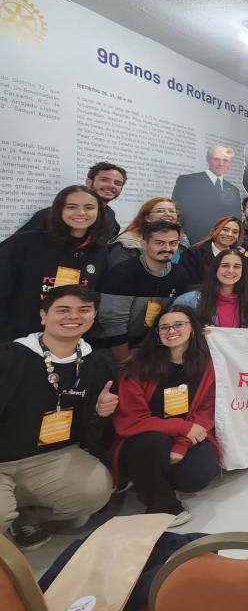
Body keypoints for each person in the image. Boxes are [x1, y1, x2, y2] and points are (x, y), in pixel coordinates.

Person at [0, 286, 118, 551]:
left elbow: (92, 427)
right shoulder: (9, 356)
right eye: (63, 310)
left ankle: (24, 518)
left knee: (96, 490)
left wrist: (101, 412)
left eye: (84, 310)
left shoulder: (96, 363)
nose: (73, 316)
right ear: (44, 316)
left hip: (52, 457)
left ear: (94, 316)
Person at [111, 305, 218, 527]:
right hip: (147, 436)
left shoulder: (207, 364)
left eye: (179, 324)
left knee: (194, 478)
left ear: (193, 329)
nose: (171, 331)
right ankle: (161, 502)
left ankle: (154, 476)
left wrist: (181, 444)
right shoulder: (138, 367)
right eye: (164, 327)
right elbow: (133, 421)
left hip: (190, 434)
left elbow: (207, 410)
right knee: (152, 443)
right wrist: (182, 428)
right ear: (157, 334)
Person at [0, 185, 110, 342]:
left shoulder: (99, 251)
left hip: (69, 340)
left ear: (99, 213)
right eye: (71, 207)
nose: (81, 213)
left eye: (89, 207)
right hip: (20, 338)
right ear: (59, 210)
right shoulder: (25, 243)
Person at [96, 222, 191, 364]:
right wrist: (125, 362)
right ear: (144, 245)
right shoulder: (122, 274)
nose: (167, 248)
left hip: (152, 348)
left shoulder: (180, 275)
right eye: (159, 243)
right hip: (112, 349)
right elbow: (113, 324)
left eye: (173, 243)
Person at [16, 162, 126, 237]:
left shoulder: (110, 216)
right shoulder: (49, 215)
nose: (111, 185)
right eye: (104, 180)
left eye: (117, 183)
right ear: (89, 182)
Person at [175, 248, 248, 329]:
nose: (230, 270)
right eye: (225, 266)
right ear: (215, 269)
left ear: (243, 271)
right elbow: (175, 331)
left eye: (236, 267)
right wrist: (197, 332)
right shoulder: (188, 300)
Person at [171, 145, 242, 239]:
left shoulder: (234, 190)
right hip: (193, 242)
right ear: (208, 159)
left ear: (230, 163)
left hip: (223, 243)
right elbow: (177, 211)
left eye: (225, 160)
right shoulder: (188, 181)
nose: (221, 164)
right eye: (216, 159)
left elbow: (236, 221)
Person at [109, 198, 189, 267]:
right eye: (160, 211)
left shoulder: (182, 240)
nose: (168, 214)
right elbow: (118, 274)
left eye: (171, 211)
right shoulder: (127, 242)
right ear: (147, 218)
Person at [180, 216, 246, 287]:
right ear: (215, 230)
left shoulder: (239, 255)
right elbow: (189, 284)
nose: (230, 234)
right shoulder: (193, 253)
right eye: (225, 230)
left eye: (235, 232)